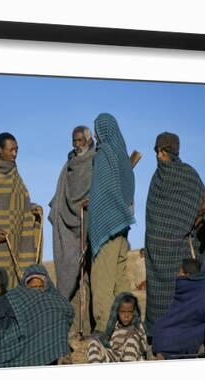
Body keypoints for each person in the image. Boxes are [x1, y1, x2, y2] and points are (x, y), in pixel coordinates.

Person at [145, 132, 205, 338]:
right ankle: (157, 335)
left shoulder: (188, 175)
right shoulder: (157, 178)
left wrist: (196, 218)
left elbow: (202, 204)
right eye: (156, 151)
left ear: (171, 152)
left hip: (180, 247)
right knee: (158, 299)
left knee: (181, 293)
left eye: (161, 151)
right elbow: (153, 212)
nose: (158, 156)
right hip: (156, 251)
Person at [87, 113, 135, 333]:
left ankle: (104, 327)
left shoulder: (103, 154)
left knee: (102, 279)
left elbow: (101, 192)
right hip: (122, 226)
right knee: (120, 278)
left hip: (106, 227)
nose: (96, 135)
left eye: (97, 130)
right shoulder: (123, 156)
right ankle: (129, 324)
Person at [49, 125, 96, 337]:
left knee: (90, 277)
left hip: (90, 222)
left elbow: (101, 188)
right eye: (74, 141)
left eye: (80, 141)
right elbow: (61, 192)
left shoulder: (97, 160)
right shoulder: (68, 164)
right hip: (70, 225)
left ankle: (90, 326)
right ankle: (72, 326)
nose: (77, 145)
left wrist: (92, 201)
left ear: (89, 140)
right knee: (71, 275)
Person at [0, 132, 43, 289]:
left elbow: (19, 202)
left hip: (15, 236)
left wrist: (32, 209)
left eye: (17, 149)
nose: (15, 154)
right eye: (10, 150)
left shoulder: (15, 174)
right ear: (0, 149)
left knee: (14, 281)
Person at [0, 264, 73, 368]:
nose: (36, 291)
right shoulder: (14, 297)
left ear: (46, 285)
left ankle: (61, 356)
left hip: (49, 342)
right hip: (22, 343)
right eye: (32, 287)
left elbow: (67, 309)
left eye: (40, 287)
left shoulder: (54, 299)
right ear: (25, 286)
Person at [152, 258, 205, 359]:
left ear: (186, 275)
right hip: (175, 329)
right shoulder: (190, 289)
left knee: (162, 329)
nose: (177, 275)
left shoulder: (202, 291)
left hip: (192, 333)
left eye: (179, 272)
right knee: (160, 326)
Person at [86, 292, 148, 363]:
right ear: (117, 312)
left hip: (132, 357)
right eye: (122, 312)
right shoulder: (114, 326)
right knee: (93, 343)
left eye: (130, 312)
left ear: (134, 312)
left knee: (132, 341)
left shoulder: (138, 327)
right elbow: (108, 342)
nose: (126, 316)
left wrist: (136, 338)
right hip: (115, 356)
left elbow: (144, 347)